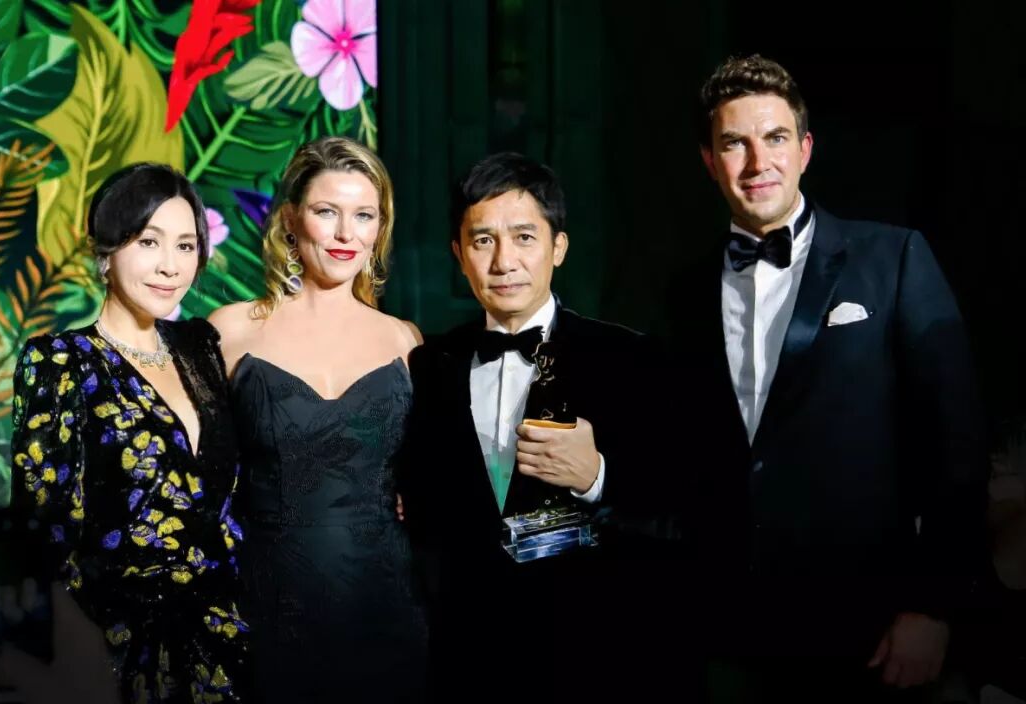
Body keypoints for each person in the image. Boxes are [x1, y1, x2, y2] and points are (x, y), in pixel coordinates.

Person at [664, 53, 988, 702]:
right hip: (730, 631)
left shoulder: (893, 258)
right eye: (734, 143)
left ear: (805, 149)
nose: (758, 162)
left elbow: (957, 445)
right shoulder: (685, 292)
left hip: (871, 632)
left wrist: (934, 606)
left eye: (776, 138)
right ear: (708, 160)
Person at [398, 152, 689, 701]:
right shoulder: (430, 364)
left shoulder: (630, 360)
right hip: (464, 660)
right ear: (459, 254)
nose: (503, 261)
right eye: (483, 240)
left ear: (558, 247)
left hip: (592, 656)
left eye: (524, 237)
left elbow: (681, 513)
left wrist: (596, 477)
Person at [10, 163, 249, 703]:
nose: (170, 265)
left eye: (186, 246)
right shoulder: (61, 361)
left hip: (226, 641)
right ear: (107, 250)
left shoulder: (201, 348)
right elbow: (43, 536)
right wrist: (79, 656)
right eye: (148, 242)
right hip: (116, 653)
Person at [209, 136, 428, 703]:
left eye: (364, 216)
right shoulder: (231, 331)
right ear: (290, 220)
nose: (345, 233)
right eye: (327, 212)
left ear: (380, 228)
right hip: (267, 602)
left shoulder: (405, 341)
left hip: (388, 602)